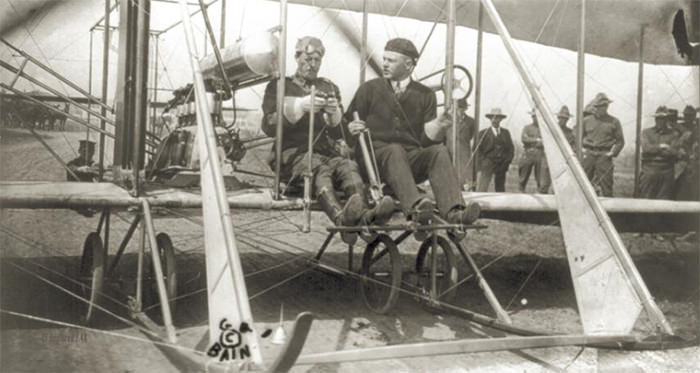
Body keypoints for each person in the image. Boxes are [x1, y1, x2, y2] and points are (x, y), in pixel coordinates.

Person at [260, 36, 393, 244]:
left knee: (348, 166)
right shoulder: (278, 86)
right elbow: (268, 125)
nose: (312, 65)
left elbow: (341, 134)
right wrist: (298, 106)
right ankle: (343, 221)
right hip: (291, 154)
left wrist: (336, 118)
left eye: (317, 60)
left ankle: (365, 219)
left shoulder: (328, 87)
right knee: (319, 169)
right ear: (297, 57)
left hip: (326, 152)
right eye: (308, 59)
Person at [345, 37, 480, 233]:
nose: (384, 64)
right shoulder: (369, 89)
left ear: (408, 65)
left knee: (438, 151)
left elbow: (425, 141)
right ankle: (416, 208)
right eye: (384, 59)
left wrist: (439, 125)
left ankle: (455, 212)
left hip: (409, 163)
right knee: (395, 149)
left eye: (391, 60)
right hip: (375, 162)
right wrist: (351, 128)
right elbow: (346, 126)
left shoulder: (426, 95)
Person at [577, 92, 624, 196]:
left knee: (606, 185)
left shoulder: (614, 121)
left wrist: (612, 153)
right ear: (595, 107)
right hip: (588, 155)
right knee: (583, 183)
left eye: (604, 106)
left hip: (604, 156)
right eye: (599, 106)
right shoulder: (586, 121)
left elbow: (620, 141)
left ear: (607, 106)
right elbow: (577, 137)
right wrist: (582, 150)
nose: (602, 108)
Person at [639, 106, 681, 199]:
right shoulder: (646, 133)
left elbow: (675, 152)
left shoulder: (674, 134)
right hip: (649, 170)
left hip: (666, 171)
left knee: (664, 201)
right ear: (655, 119)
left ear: (667, 119)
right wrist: (662, 146)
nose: (660, 121)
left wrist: (655, 150)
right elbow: (646, 148)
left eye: (663, 118)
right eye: (658, 118)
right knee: (645, 200)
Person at [476, 108, 514, 192]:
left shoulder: (505, 133)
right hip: (487, 163)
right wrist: (483, 162)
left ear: (501, 119)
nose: (495, 120)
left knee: (500, 188)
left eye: (497, 118)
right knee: (483, 186)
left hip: (501, 164)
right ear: (490, 119)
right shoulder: (483, 133)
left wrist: (507, 161)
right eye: (493, 117)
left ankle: (501, 203)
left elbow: (511, 149)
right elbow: (477, 150)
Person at [445, 97, 476, 190]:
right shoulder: (448, 120)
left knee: (463, 178)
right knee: (450, 177)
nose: (460, 110)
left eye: (462, 108)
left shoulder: (471, 121)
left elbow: (470, 135)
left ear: (465, 109)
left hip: (464, 153)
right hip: (449, 151)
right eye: (458, 108)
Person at [518, 109, 550, 193]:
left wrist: (539, 141)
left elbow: (547, 141)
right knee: (523, 175)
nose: (536, 118)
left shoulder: (545, 129)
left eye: (538, 117)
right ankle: (521, 191)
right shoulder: (527, 128)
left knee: (540, 176)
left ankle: (541, 193)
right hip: (528, 153)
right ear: (532, 117)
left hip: (540, 153)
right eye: (534, 116)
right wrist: (537, 140)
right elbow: (524, 139)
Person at [674, 105, 699, 201]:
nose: (687, 118)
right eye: (686, 115)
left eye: (690, 115)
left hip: (694, 162)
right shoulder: (678, 128)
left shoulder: (697, 128)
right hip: (680, 162)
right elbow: (675, 143)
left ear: (694, 116)